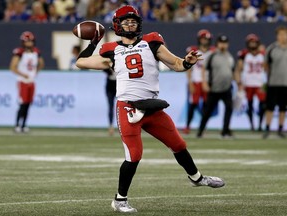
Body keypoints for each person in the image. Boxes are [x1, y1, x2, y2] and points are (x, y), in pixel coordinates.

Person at [76, 5, 225, 213]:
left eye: (133, 21)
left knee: (178, 144)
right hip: (128, 108)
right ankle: (119, 200)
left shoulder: (151, 42)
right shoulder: (111, 50)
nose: (130, 24)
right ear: (117, 25)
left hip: (151, 106)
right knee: (134, 155)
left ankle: (197, 178)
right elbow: (81, 62)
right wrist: (93, 42)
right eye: (126, 21)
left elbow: (176, 64)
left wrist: (187, 63)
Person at [197, 35, 235, 138]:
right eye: (221, 43)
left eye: (225, 43)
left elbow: (232, 71)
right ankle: (200, 130)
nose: (223, 45)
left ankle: (225, 130)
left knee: (229, 108)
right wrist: (204, 82)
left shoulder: (229, 57)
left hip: (227, 88)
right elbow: (204, 69)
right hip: (214, 88)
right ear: (217, 44)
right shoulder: (212, 56)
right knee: (208, 111)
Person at [10, 31, 44, 133]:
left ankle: (24, 125)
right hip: (23, 81)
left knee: (28, 104)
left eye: (30, 41)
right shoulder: (19, 52)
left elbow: (41, 63)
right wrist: (23, 74)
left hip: (31, 81)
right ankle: (17, 125)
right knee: (23, 104)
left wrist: (35, 72)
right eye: (27, 41)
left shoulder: (36, 52)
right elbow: (13, 67)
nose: (29, 43)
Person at [184, 29, 215, 134]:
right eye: (202, 39)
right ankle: (187, 125)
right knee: (193, 104)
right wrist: (190, 82)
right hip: (196, 80)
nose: (204, 41)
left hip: (207, 81)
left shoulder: (213, 52)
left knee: (207, 105)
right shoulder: (193, 51)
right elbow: (188, 67)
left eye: (206, 39)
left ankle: (203, 126)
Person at [234, 33, 266, 131]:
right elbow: (238, 69)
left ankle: (260, 124)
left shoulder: (263, 54)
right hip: (248, 83)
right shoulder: (244, 54)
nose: (252, 44)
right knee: (250, 104)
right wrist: (239, 82)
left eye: (254, 42)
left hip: (260, 83)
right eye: (250, 42)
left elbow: (267, 68)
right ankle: (252, 125)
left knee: (263, 104)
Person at [263, 26, 287, 139]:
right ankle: (267, 128)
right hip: (273, 82)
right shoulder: (271, 48)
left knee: (283, 107)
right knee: (270, 107)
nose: (282, 37)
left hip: (285, 83)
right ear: (277, 36)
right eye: (280, 34)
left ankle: (280, 129)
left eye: (284, 34)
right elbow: (265, 65)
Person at [103, 68, 117, 136]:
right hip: (110, 87)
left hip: (119, 86)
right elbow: (103, 68)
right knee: (110, 107)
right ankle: (111, 126)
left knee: (125, 105)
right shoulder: (108, 61)